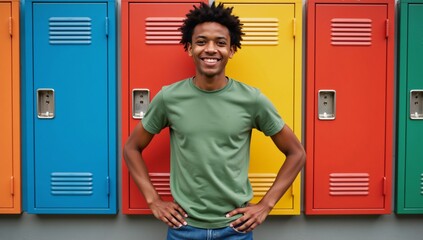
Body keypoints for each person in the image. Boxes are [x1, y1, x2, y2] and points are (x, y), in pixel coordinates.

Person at [123, 2, 306, 239]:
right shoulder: (169, 97)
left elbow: (296, 153)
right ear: (189, 48)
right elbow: (131, 148)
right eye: (201, 42)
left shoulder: (251, 100)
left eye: (220, 43)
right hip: (183, 229)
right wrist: (153, 200)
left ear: (231, 50)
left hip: (236, 229)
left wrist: (265, 205)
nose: (211, 49)